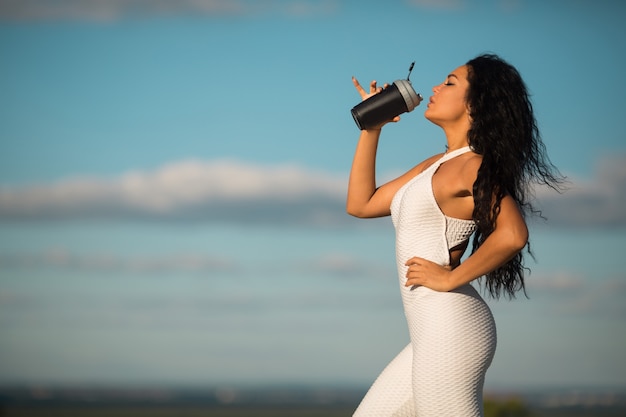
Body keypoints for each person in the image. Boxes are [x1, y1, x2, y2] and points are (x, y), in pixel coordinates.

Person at [346, 54, 562, 417]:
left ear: (476, 103)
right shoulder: (437, 164)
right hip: (430, 334)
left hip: (451, 329)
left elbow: (512, 233)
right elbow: (361, 203)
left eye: (449, 83)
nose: (433, 87)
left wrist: (450, 279)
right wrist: (372, 128)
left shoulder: (471, 165)